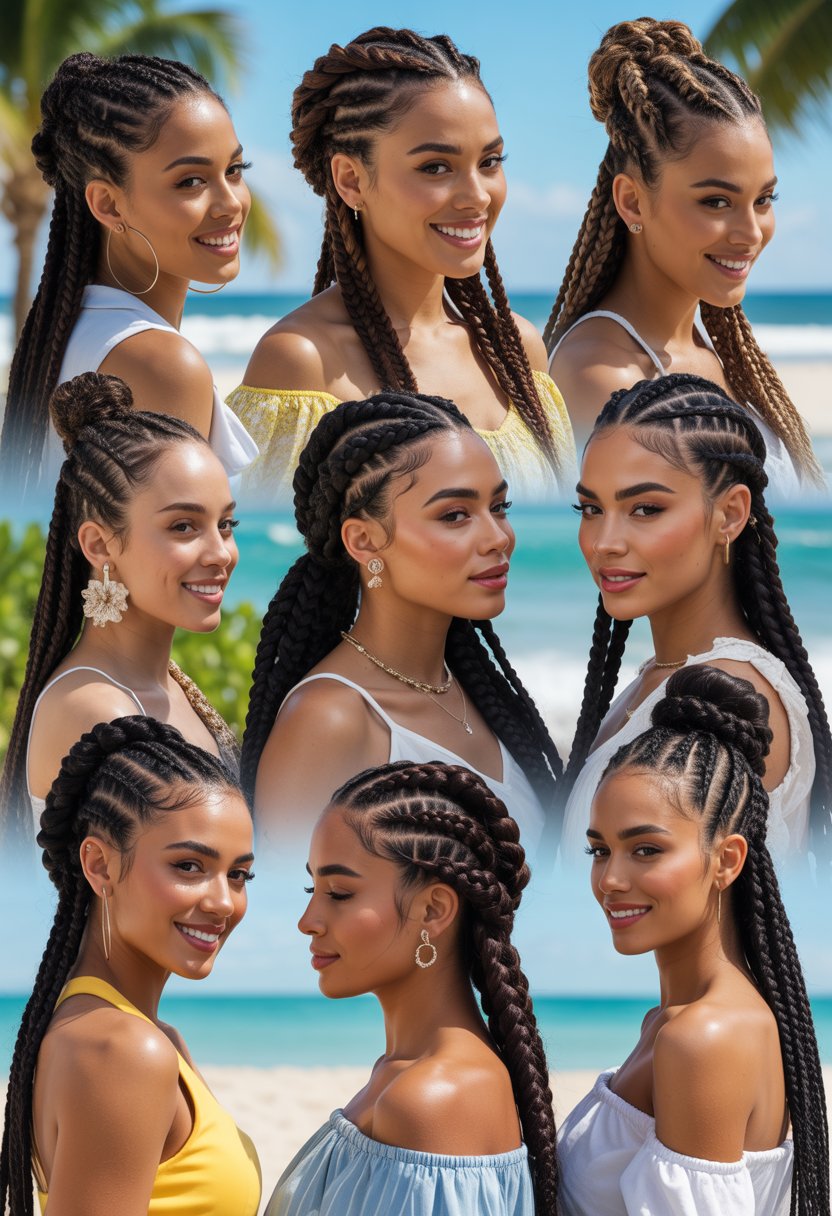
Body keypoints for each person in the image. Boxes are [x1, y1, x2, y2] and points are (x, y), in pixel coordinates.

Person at [228, 26, 575, 503]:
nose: (477, 195)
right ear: (351, 179)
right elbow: (269, 569)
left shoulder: (517, 351)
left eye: (490, 162)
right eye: (436, 167)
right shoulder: (303, 364)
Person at [241, 391, 561, 856]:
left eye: (499, 507)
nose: (498, 538)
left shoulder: (475, 691)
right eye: (455, 515)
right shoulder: (329, 722)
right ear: (365, 541)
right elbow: (294, 921)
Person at [558, 665, 829, 1216]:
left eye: (646, 850)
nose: (610, 879)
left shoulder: (704, 1037)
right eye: (599, 850)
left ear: (726, 859)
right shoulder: (675, 1022)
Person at [561, 374, 832, 868]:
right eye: (591, 508)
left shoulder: (724, 698)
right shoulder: (663, 678)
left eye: (645, 509)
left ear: (730, 514)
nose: (604, 541)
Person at [544, 18, 823, 494]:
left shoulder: (717, 351)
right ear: (632, 201)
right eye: (716, 202)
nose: (751, 232)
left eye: (763, 200)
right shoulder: (600, 375)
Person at [267, 760, 557, 1216]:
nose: (308, 922)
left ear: (434, 909)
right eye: (312, 889)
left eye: (339, 893)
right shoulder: (401, 1073)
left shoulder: (435, 1097)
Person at [0, 715, 261, 1216]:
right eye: (189, 866)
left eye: (240, 874)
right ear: (99, 865)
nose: (224, 902)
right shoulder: (123, 1051)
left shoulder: (138, 1035)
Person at [0, 51, 258, 500]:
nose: (230, 203)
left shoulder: (72, 331)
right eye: (190, 181)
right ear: (109, 204)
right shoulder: (161, 365)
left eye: (234, 170)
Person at [0, 372, 240, 843]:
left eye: (226, 524)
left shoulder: (161, 681)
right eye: (183, 527)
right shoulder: (98, 711)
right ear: (99, 544)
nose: (221, 553)